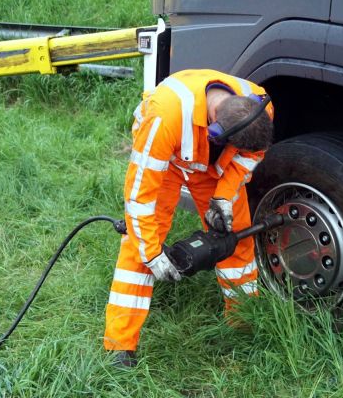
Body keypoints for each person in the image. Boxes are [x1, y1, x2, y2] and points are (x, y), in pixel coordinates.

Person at [103, 69, 274, 366]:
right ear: (218, 133)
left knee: (236, 237)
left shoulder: (260, 105)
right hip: (168, 161)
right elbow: (139, 197)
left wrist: (223, 196)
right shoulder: (163, 117)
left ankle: (243, 320)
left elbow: (251, 155)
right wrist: (153, 253)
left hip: (212, 167)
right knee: (140, 242)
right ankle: (120, 344)